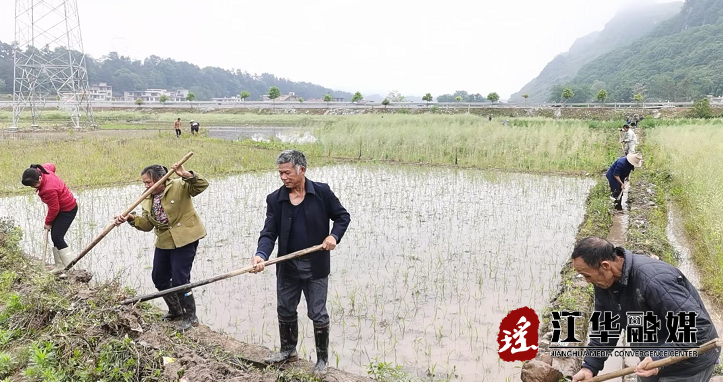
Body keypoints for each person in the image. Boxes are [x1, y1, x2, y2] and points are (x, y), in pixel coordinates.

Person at [250, 149, 351, 376]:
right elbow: (268, 233)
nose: (283, 177)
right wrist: (261, 255)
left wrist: (333, 236)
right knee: (285, 308)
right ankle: (288, 350)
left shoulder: (322, 193)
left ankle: (322, 360)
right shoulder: (276, 199)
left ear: (301, 170)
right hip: (288, 267)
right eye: (280, 174)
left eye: (287, 173)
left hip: (315, 266)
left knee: (318, 312)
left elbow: (342, 217)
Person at [570, 237, 720, 382]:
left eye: (587, 275)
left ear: (605, 266)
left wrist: (658, 358)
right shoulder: (604, 283)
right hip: (650, 360)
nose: (587, 281)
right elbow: (606, 328)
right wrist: (589, 367)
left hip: (687, 364)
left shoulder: (654, 280)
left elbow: (698, 328)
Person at [113, 163, 208, 331]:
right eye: (144, 183)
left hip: (185, 237)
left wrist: (186, 174)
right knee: (159, 277)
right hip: (164, 239)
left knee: (180, 279)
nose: (146, 186)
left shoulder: (180, 185)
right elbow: (147, 224)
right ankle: (176, 310)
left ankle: (190, 316)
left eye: (149, 182)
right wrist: (130, 219)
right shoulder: (147, 198)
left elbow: (202, 185)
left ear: (160, 179)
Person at [21, 163, 78, 272]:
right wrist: (38, 185)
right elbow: (52, 165)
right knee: (55, 236)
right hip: (62, 207)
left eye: (35, 184)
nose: (34, 187)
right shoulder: (42, 170)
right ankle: (60, 266)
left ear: (40, 177)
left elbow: (54, 209)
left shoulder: (48, 189)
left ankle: (69, 268)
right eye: (32, 186)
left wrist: (48, 222)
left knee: (57, 236)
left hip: (67, 209)